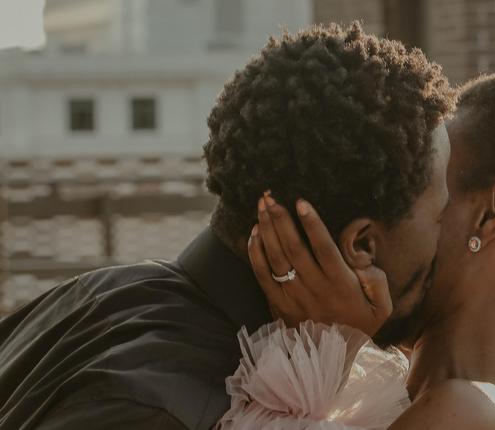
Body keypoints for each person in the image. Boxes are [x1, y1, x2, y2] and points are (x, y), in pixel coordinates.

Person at [0, 23, 454, 429]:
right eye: (439, 215)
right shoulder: (166, 409)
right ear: (361, 246)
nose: (450, 237)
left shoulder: (94, 296)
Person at [228, 74, 495, 429]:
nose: (389, 207)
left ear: (491, 214)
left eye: (423, 187)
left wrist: (331, 343)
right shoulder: (420, 392)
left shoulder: (463, 415)